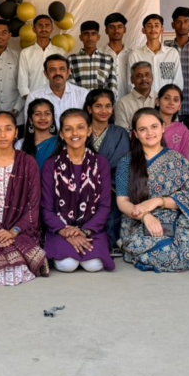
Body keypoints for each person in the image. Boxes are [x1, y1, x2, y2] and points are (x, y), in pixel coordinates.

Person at [116, 108, 189, 272]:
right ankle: (130, 245)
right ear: (136, 134)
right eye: (143, 129)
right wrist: (145, 216)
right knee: (165, 252)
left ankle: (135, 251)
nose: (149, 133)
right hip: (138, 222)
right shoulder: (126, 162)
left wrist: (158, 201)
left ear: (163, 127)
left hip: (176, 221)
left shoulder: (177, 160)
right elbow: (122, 202)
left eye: (154, 127)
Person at [0, 111, 49, 285]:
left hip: (20, 228)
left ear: (16, 132)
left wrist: (13, 232)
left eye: (8, 129)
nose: (3, 134)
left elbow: (33, 207)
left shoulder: (28, 163)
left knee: (29, 258)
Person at [42, 109, 115, 272]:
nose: (75, 133)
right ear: (62, 134)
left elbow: (104, 206)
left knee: (93, 265)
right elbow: (46, 209)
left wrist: (84, 231)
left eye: (80, 127)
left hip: (92, 230)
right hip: (60, 229)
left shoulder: (101, 163)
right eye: (68, 129)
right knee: (67, 264)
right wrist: (65, 231)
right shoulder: (51, 165)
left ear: (89, 131)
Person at [84, 89, 130, 251]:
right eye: (98, 106)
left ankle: (111, 241)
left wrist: (99, 179)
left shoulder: (120, 133)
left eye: (108, 106)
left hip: (110, 186)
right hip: (82, 187)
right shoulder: (82, 131)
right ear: (89, 108)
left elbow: (122, 163)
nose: (104, 110)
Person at [24, 54, 89, 128]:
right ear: (46, 74)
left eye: (62, 69)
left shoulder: (82, 94)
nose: (57, 73)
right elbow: (30, 126)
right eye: (52, 70)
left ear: (68, 72)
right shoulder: (34, 97)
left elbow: (88, 123)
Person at [128, 14, 183, 92]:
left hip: (166, 99)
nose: (153, 29)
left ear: (162, 29)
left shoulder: (172, 53)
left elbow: (178, 81)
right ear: (143, 30)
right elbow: (131, 84)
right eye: (149, 26)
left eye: (156, 25)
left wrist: (166, 97)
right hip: (143, 99)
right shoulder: (135, 55)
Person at [18, 15, 66, 99]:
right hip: (33, 100)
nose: (44, 29)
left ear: (52, 29)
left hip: (55, 100)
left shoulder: (60, 52)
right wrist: (31, 100)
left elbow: (64, 79)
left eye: (47, 25)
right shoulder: (25, 53)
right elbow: (22, 84)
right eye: (40, 25)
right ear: (34, 29)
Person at [67, 21, 118, 95]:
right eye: (86, 34)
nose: (90, 38)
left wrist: (107, 101)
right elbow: (69, 85)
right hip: (79, 101)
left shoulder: (107, 59)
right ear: (81, 37)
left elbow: (112, 86)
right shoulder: (71, 59)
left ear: (98, 37)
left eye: (93, 34)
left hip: (101, 101)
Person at [17, 98, 59, 170]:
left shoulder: (60, 142)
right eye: (37, 114)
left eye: (47, 114)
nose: (43, 117)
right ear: (30, 120)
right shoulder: (20, 144)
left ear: (52, 119)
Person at [115, 61, 157, 131]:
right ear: (132, 79)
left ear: (152, 78)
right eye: (139, 76)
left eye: (147, 75)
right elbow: (122, 132)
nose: (144, 79)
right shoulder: (123, 103)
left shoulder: (160, 98)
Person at [100, 13, 132, 98]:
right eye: (112, 27)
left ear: (124, 30)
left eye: (119, 27)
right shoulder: (99, 54)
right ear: (106, 31)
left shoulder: (132, 54)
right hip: (105, 102)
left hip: (128, 102)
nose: (116, 30)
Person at [157, 84, 189, 160]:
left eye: (175, 100)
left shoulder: (182, 130)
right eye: (167, 98)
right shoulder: (147, 124)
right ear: (158, 101)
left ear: (179, 106)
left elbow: (185, 159)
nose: (171, 102)